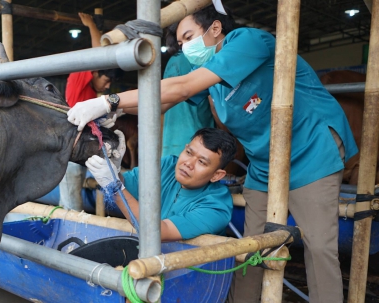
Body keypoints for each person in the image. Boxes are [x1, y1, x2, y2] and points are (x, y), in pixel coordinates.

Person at [67, 5, 358, 302]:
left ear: (215, 29)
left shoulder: (248, 41)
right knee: (250, 247)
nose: (183, 47)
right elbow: (161, 102)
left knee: (319, 246)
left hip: (310, 149)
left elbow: (181, 88)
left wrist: (109, 101)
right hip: (262, 162)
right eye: (179, 44)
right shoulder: (208, 77)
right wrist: (114, 114)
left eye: (188, 37)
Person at [87, 128, 236, 240]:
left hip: (194, 274)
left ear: (217, 175)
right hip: (156, 260)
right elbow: (128, 184)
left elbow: (157, 232)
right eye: (189, 153)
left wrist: (114, 186)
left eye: (202, 162)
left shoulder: (216, 206)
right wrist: (114, 168)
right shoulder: (168, 166)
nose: (188, 163)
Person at [59, 12, 122, 211]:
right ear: (94, 72)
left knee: (71, 197)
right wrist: (92, 26)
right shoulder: (79, 78)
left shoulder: (92, 92)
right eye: (106, 80)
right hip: (71, 145)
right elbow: (99, 54)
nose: (107, 86)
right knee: (71, 202)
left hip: (81, 147)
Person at [162, 23, 215, 157]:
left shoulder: (170, 62)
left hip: (169, 143)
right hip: (197, 144)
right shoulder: (199, 56)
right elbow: (213, 103)